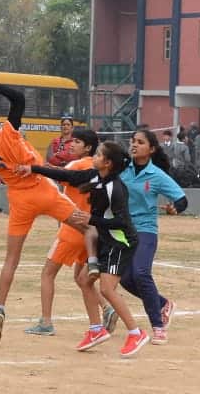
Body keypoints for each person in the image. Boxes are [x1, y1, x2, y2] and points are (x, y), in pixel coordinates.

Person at [0, 68, 90, 342]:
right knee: (86, 225)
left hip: (19, 200)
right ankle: (101, 285)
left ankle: (0, 307)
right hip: (43, 188)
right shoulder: (8, 132)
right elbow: (18, 99)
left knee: (11, 259)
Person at [27, 139, 151, 358]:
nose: (94, 157)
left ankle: (136, 332)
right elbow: (68, 177)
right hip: (105, 240)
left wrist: (91, 218)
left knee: (107, 289)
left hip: (120, 243)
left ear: (108, 163)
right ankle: (96, 329)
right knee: (84, 280)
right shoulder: (95, 176)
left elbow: (123, 222)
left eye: (99, 155)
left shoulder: (116, 189)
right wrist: (32, 169)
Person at [99, 128, 188, 345]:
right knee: (126, 279)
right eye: (132, 141)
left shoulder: (156, 175)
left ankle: (158, 326)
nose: (134, 145)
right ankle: (162, 304)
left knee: (140, 273)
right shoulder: (122, 169)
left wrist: (174, 208)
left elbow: (182, 200)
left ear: (152, 149)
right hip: (122, 231)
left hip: (146, 230)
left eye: (140, 142)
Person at [15, 127, 97, 337]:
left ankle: (46, 321)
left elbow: (56, 174)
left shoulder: (76, 165)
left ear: (88, 147)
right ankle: (107, 309)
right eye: (71, 141)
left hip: (72, 229)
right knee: (82, 279)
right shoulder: (97, 167)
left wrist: (33, 165)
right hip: (92, 232)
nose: (71, 144)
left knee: (47, 274)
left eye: (77, 142)